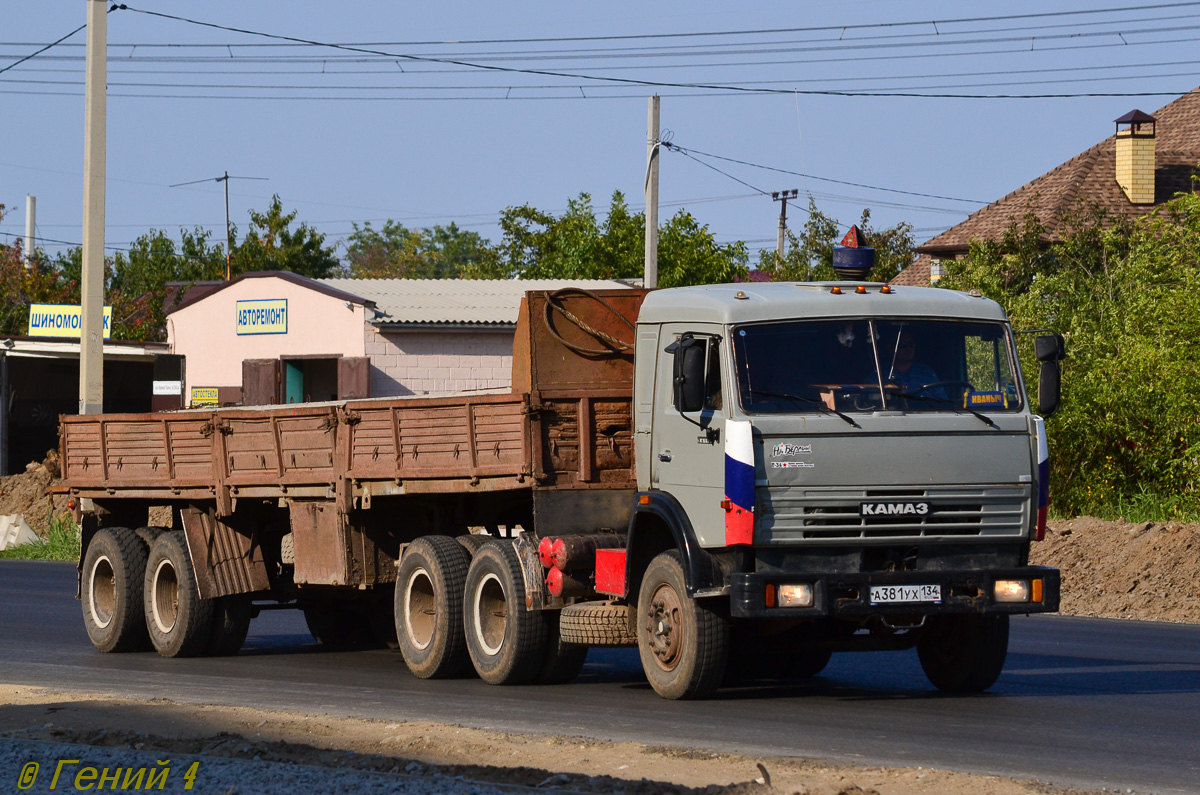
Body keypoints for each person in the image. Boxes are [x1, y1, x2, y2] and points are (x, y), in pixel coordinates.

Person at [880, 331, 946, 401]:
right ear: (890, 348)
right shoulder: (879, 374)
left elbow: (943, 402)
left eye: (911, 344)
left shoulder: (927, 372)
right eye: (902, 345)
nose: (908, 349)